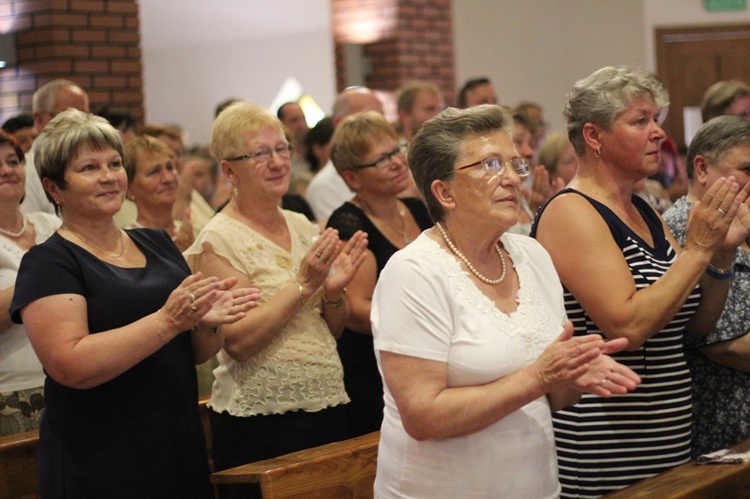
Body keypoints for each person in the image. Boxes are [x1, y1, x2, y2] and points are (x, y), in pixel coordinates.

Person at [372, 104, 641, 498]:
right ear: (444, 192)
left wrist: (572, 374)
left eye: (515, 165)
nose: (513, 179)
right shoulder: (413, 273)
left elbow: (553, 398)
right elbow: (422, 416)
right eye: (491, 165)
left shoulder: (531, 256)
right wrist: (538, 377)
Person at [10, 109, 259, 497]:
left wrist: (206, 322)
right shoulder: (49, 261)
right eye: (89, 168)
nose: (109, 176)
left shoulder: (156, 242)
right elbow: (69, 363)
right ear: (54, 188)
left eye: (114, 163)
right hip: (100, 452)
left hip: (174, 438)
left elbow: (195, 353)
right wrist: (167, 321)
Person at [531, 66, 750, 497]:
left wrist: (720, 254)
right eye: (640, 121)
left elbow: (697, 325)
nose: (657, 133)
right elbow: (627, 326)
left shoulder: (644, 210)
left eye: (656, 119)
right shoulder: (571, 211)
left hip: (664, 437)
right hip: (607, 442)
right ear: (593, 136)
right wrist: (699, 250)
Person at [184, 101, 368, 499]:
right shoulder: (219, 239)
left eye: (282, 149)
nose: (278, 162)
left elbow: (331, 329)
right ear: (229, 170)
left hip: (326, 401)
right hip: (260, 420)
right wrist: (302, 285)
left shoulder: (302, 224)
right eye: (261, 154)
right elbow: (238, 342)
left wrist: (334, 294)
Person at [326, 111, 432, 438]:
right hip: (373, 368)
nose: (399, 162)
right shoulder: (348, 223)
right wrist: (424, 322)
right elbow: (356, 310)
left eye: (397, 149)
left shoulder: (416, 208)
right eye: (382, 159)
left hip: (426, 355)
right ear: (353, 178)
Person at [663, 115, 750, 459]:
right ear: (702, 168)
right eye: (747, 169)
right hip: (721, 435)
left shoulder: (737, 220)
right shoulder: (685, 226)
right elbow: (721, 344)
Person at [0, 131, 60, 436]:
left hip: (70, 380)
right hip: (11, 394)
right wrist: (41, 275)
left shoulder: (52, 224)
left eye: (13, 161)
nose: (7, 170)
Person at [306, 87, 384, 221]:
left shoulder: (394, 166)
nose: (382, 126)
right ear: (340, 123)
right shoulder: (324, 186)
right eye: (369, 119)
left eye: (382, 117)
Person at [23, 79, 89, 216]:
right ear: (40, 120)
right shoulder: (24, 172)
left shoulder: (95, 163)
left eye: (84, 115)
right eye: (67, 116)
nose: (79, 124)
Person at [123, 134, 193, 251]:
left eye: (170, 167)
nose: (168, 179)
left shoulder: (191, 232)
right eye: (154, 172)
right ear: (129, 189)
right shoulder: (126, 243)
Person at [395, 80, 444, 144]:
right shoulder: (393, 151)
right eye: (429, 109)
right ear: (405, 115)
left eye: (439, 110)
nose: (438, 116)